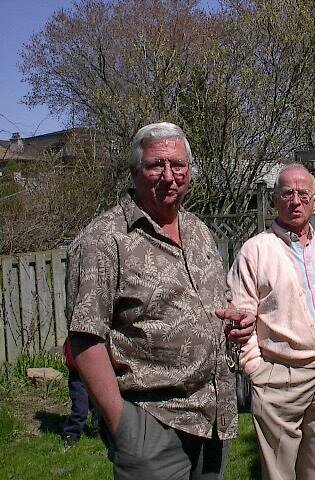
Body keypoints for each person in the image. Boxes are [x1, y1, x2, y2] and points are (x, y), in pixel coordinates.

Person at [66, 122, 254, 480]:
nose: (169, 176)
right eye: (156, 165)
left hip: (213, 417)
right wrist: (123, 426)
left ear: (189, 172)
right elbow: (85, 337)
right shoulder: (104, 239)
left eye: (178, 165)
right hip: (152, 423)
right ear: (135, 170)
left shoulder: (197, 230)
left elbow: (211, 300)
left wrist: (234, 320)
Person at [226, 164, 315, 480]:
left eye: (303, 194)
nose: (295, 201)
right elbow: (239, 316)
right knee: (279, 473)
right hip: (279, 376)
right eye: (287, 193)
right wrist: (256, 369)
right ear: (274, 200)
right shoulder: (255, 251)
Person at [60, 337, 99, 448]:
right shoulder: (73, 339)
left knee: (97, 406)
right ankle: (71, 434)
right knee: (80, 408)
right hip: (77, 377)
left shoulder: (96, 338)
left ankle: (98, 430)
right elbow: (71, 361)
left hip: (94, 374)